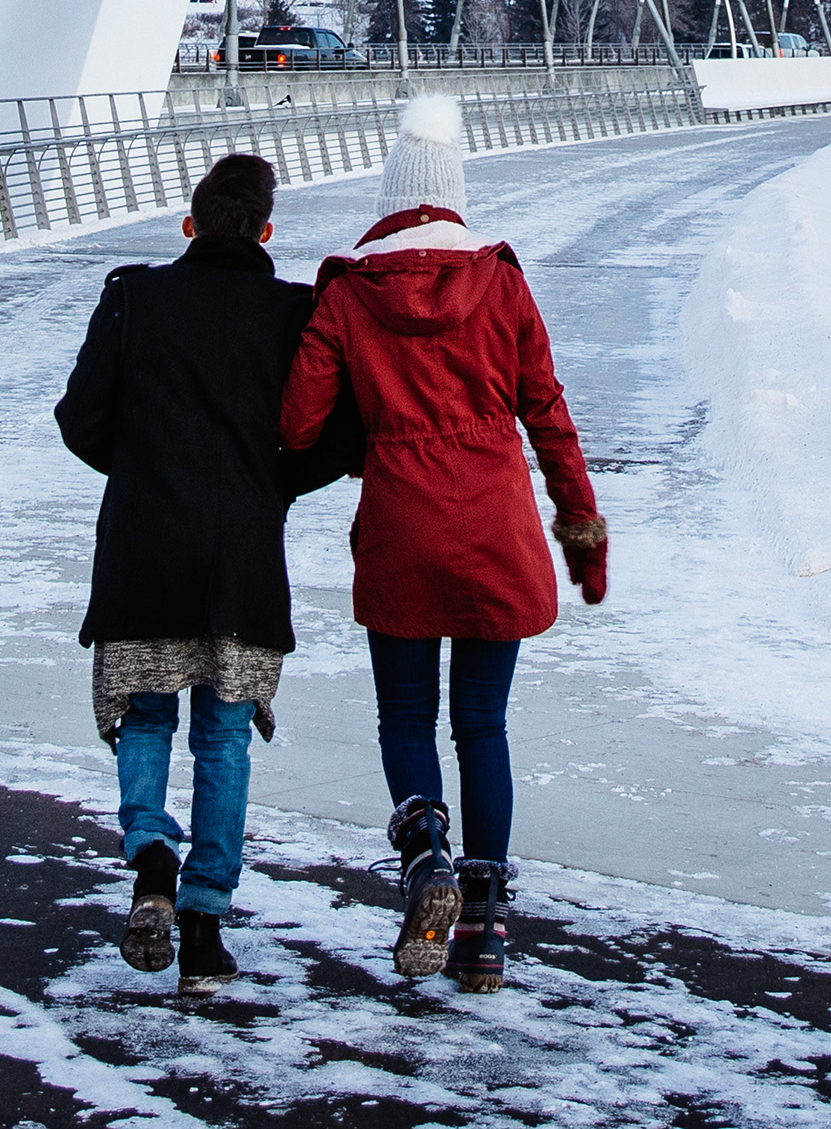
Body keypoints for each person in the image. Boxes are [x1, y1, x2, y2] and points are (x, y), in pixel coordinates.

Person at [278, 94, 606, 992]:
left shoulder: (348, 290)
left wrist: (372, 419)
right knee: (483, 725)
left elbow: (300, 423)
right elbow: (548, 409)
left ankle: (425, 856)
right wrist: (580, 522)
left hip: (400, 528)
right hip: (495, 526)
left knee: (404, 716)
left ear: (389, 197)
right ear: (455, 196)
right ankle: (487, 932)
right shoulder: (501, 280)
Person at [55, 149, 354, 986]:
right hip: (241, 562)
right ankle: (205, 928)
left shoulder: (133, 298)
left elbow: (81, 421)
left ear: (189, 225)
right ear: (266, 230)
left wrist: (147, 467)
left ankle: (151, 857)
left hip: (143, 552)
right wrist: (267, 486)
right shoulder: (295, 312)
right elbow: (331, 438)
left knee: (147, 718)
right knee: (223, 741)